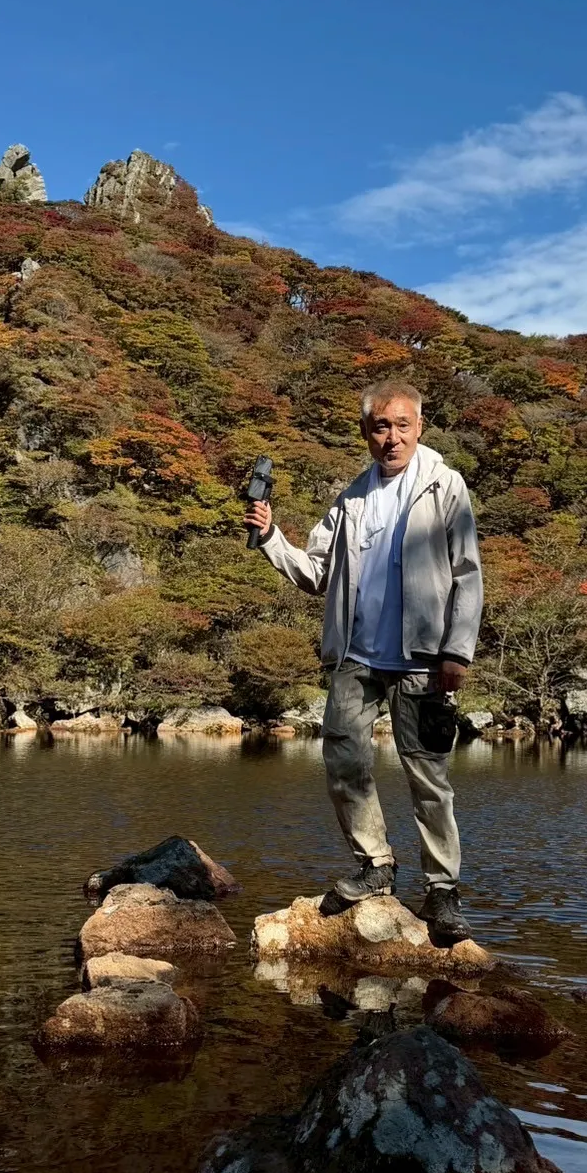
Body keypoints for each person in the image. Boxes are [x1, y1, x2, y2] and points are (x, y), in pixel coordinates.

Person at [244, 378, 483, 947]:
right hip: (356, 656)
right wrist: (273, 536)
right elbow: (319, 574)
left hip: (424, 660)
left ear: (419, 427)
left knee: (428, 777)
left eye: (403, 425)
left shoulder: (445, 487)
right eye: (381, 426)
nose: (392, 437)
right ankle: (375, 864)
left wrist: (457, 651)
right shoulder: (350, 498)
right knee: (344, 761)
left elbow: (468, 574)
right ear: (366, 432)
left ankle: (442, 890)